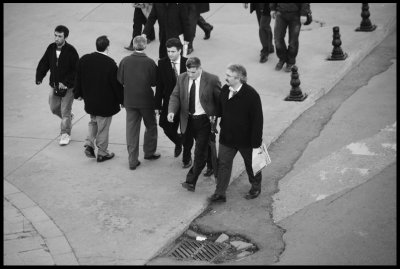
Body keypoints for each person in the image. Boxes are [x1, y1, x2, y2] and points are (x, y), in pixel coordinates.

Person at [208, 64, 263, 203]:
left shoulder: (252, 95)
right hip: (227, 138)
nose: (225, 78)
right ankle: (220, 193)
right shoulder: (226, 89)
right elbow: (220, 108)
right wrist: (214, 116)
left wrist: (256, 143)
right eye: (226, 75)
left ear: (238, 78)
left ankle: (255, 187)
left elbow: (258, 120)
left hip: (246, 140)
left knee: (252, 165)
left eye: (228, 76)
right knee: (223, 165)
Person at [168, 57, 221, 192]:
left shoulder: (212, 79)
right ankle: (211, 166)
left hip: (204, 121)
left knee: (199, 151)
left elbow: (220, 101)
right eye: (188, 71)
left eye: (193, 72)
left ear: (200, 69)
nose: (190, 75)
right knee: (204, 147)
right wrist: (171, 111)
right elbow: (175, 96)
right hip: (188, 119)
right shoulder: (182, 78)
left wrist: (216, 118)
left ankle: (191, 181)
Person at [74, 35, 124, 162]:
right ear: (107, 47)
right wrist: (122, 100)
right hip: (105, 104)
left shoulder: (84, 59)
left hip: (90, 102)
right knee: (103, 127)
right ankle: (102, 152)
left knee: (93, 122)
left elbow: (78, 78)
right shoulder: (111, 64)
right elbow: (116, 85)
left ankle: (89, 145)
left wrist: (77, 93)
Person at [117, 36, 160, 170]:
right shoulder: (150, 62)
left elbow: (120, 79)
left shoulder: (125, 61)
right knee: (151, 126)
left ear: (134, 45)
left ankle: (132, 161)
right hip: (146, 101)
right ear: (145, 45)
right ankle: (149, 152)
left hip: (130, 100)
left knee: (131, 131)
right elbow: (154, 82)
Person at [36, 25, 79, 146]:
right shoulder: (51, 48)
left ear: (65, 37)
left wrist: (65, 82)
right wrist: (39, 77)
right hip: (54, 85)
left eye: (59, 36)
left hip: (68, 87)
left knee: (65, 110)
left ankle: (65, 134)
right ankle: (69, 118)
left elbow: (76, 70)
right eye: (55, 35)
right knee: (54, 108)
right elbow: (44, 63)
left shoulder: (71, 51)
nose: (56, 38)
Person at [155, 38, 194, 167]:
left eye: (173, 51)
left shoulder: (188, 63)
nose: (170, 54)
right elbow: (160, 86)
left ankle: (186, 159)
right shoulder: (162, 63)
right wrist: (157, 105)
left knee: (186, 131)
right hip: (169, 102)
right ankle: (178, 142)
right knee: (165, 127)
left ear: (179, 51)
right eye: (168, 51)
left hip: (185, 103)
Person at [270, 3, 310, 72]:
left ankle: (291, 61)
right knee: (278, 39)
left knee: (293, 41)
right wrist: (272, 8)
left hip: (296, 14)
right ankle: (282, 58)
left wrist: (303, 13)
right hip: (280, 13)